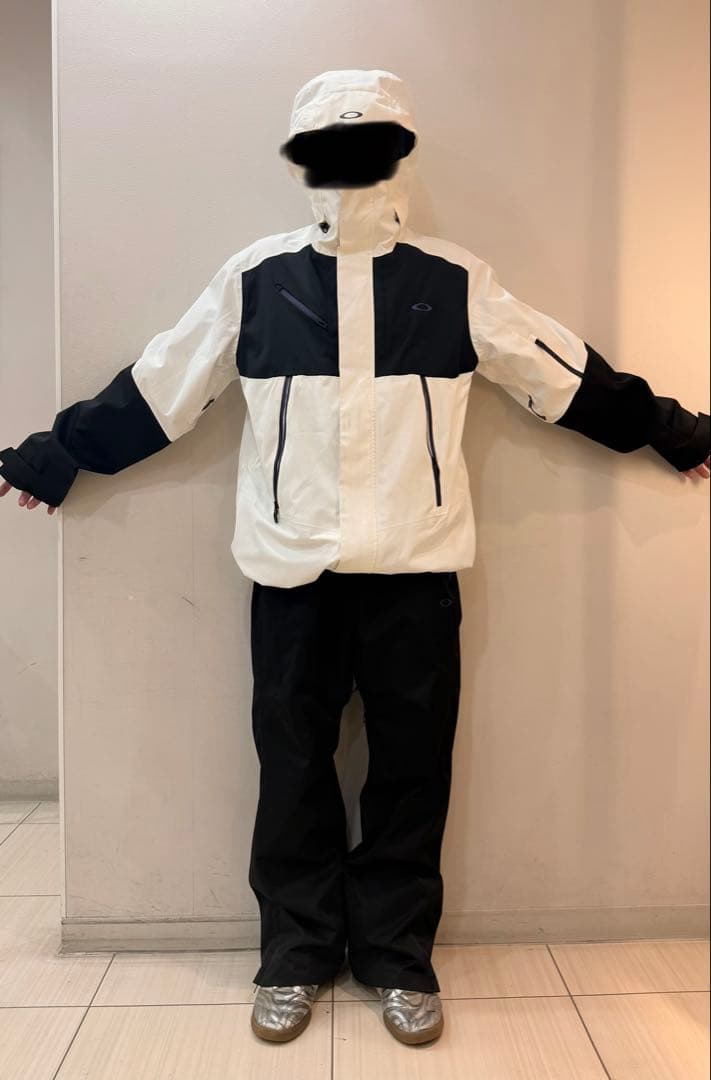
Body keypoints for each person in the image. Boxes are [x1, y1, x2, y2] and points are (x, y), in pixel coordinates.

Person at [1, 68, 709, 1047]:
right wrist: (60, 455)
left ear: (399, 154)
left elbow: (556, 370)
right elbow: (165, 384)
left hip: (415, 570)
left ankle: (396, 957)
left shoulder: (453, 280)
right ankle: (295, 954)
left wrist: (673, 430)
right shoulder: (257, 279)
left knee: (411, 772)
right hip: (291, 571)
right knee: (293, 768)